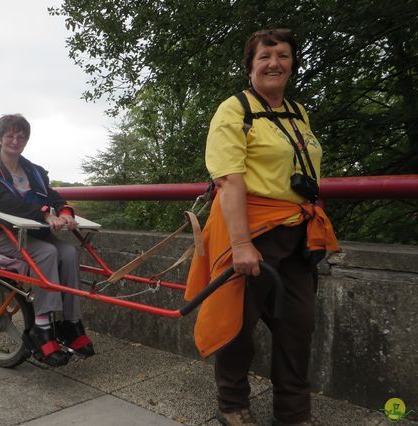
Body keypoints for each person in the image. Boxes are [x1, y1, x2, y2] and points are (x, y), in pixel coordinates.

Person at [185, 30, 339, 425]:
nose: (274, 62)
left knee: (298, 325)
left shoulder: (298, 111)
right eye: (265, 56)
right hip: (249, 229)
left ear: (292, 63)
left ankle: (293, 413)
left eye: (283, 55)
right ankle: (233, 405)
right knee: (238, 322)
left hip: (296, 231)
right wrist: (240, 244)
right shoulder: (235, 109)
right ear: (250, 66)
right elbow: (230, 179)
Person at [0, 114, 94, 367]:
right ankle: (42, 328)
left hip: (27, 234)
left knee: (69, 253)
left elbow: (53, 196)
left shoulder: (34, 171)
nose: (15, 140)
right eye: (9, 135)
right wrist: (43, 214)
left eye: (21, 136)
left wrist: (63, 212)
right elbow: (1, 202)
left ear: (26, 140)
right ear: (0, 138)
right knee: (47, 253)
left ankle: (71, 322)